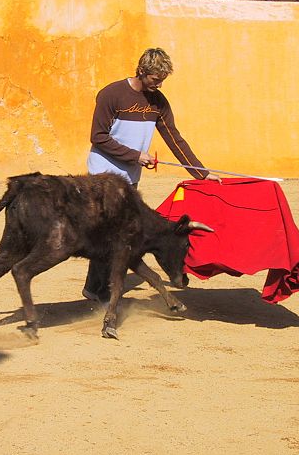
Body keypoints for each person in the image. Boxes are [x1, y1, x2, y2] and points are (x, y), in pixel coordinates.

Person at [83, 47, 220, 302]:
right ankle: (99, 289)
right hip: (102, 176)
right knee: (111, 234)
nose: (159, 84)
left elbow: (174, 138)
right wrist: (135, 155)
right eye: (155, 79)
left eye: (162, 80)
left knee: (118, 234)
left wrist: (200, 173)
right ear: (142, 71)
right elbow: (98, 137)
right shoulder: (111, 94)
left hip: (129, 179)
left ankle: (94, 288)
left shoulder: (158, 102)